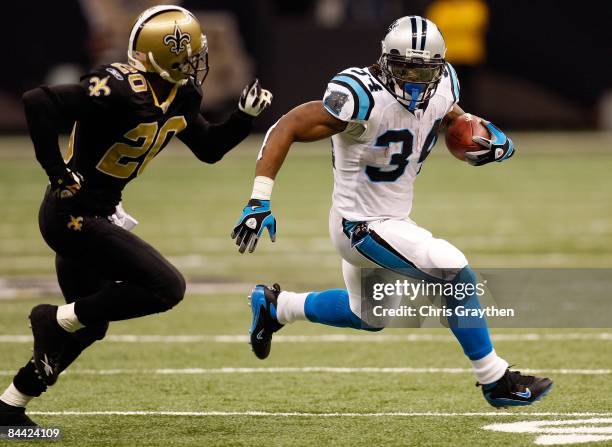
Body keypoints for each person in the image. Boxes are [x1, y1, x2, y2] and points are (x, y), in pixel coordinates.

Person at [231, 16, 552, 407]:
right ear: (385, 61)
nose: (416, 80)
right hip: (360, 225)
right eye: (406, 69)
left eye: (425, 70)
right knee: (452, 270)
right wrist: (258, 199)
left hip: (393, 221)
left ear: (438, 67)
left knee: (368, 315)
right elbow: (288, 125)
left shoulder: (445, 83)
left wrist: (481, 134)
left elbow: (448, 112)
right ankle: (495, 380)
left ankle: (277, 307)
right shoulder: (360, 94)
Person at [0, 5, 271, 426]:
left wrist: (243, 118)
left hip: (100, 214)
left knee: (90, 326)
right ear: (161, 56)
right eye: (186, 56)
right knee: (167, 287)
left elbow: (209, 149)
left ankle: (10, 405)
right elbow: (39, 102)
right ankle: (50, 318)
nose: (195, 64)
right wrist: (58, 172)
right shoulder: (118, 86)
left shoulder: (182, 94)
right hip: (72, 215)